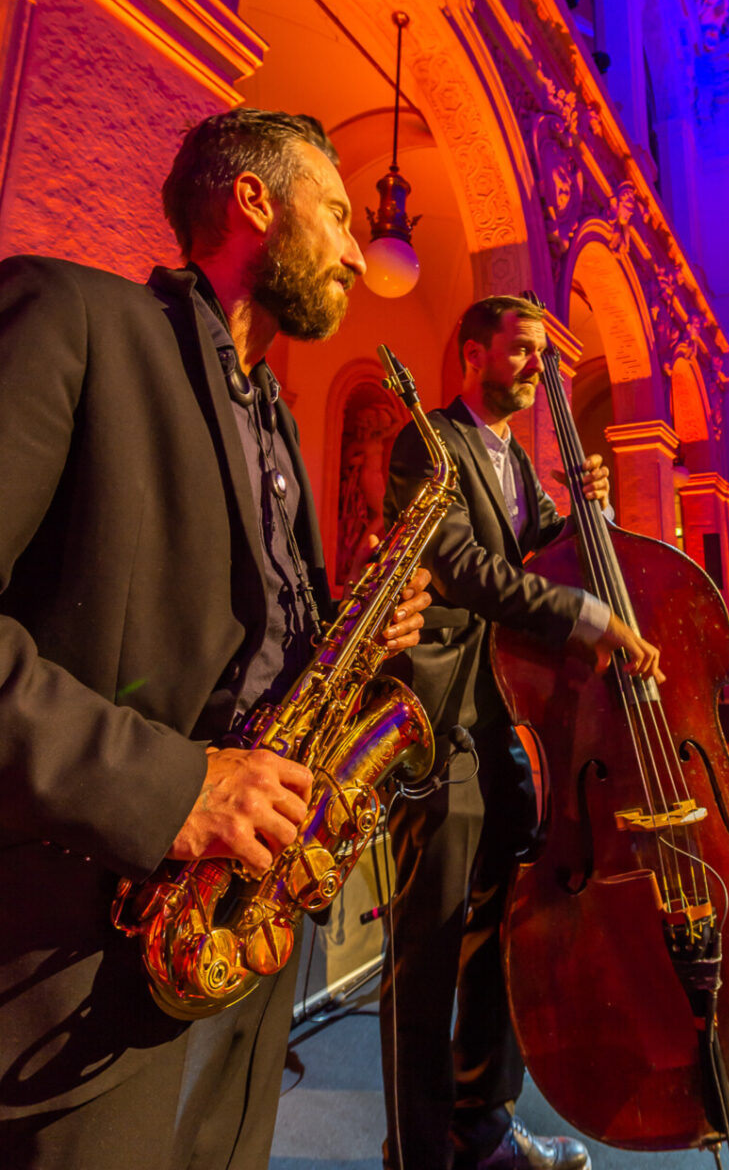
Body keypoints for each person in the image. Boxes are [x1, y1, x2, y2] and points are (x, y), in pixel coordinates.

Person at [0, 108, 431, 1170]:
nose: (349, 251)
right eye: (335, 213)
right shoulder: (69, 315)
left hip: (245, 931)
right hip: (81, 959)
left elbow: (239, 642)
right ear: (254, 200)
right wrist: (172, 786)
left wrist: (353, 641)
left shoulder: (277, 415)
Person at [380, 294, 663, 1170]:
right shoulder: (428, 441)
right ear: (474, 354)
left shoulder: (518, 465)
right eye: (524, 352)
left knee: (501, 929)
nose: (539, 370)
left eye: (543, 357)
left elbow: (552, 557)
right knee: (426, 947)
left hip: (504, 718)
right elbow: (461, 567)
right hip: (439, 716)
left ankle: (484, 1126)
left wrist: (589, 514)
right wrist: (584, 614)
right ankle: (419, 1152)